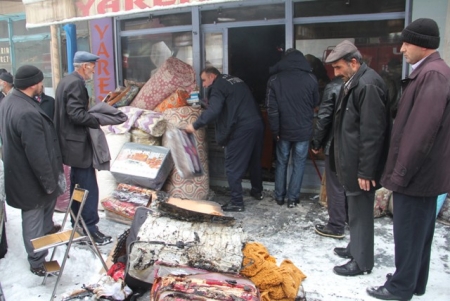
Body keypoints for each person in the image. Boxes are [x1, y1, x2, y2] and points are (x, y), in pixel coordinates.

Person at [367, 18, 450, 301]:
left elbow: (420, 134)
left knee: (409, 235)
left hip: (416, 177)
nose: (401, 49)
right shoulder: (430, 72)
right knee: (418, 236)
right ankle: (414, 282)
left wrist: (400, 174)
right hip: (422, 176)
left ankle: (400, 288)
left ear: (423, 45)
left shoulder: (433, 75)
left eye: (406, 43)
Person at [324, 40, 390, 276]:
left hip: (361, 166)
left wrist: (366, 170)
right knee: (355, 211)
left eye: (339, 67)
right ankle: (355, 248)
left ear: (354, 62)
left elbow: (373, 132)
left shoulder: (368, 84)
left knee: (361, 213)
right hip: (352, 162)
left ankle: (362, 262)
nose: (335, 73)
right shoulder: (355, 81)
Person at [0, 65, 64, 276]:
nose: (42, 85)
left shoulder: (10, 100)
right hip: (31, 180)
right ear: (33, 84)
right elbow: (37, 155)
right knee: (34, 221)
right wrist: (50, 183)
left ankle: (40, 253)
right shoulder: (26, 112)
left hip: (20, 175)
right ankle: (37, 262)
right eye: (40, 81)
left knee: (37, 219)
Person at [185, 67, 264, 212]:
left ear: (212, 76)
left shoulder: (218, 86)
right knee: (254, 160)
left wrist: (195, 125)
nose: (203, 85)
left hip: (242, 128)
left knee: (232, 166)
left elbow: (214, 111)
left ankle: (237, 203)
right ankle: (257, 191)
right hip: (256, 123)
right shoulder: (233, 80)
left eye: (204, 80)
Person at [54, 51, 112, 245]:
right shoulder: (76, 83)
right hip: (77, 146)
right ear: (84, 66)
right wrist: (96, 119)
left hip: (71, 145)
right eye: (92, 67)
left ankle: (79, 226)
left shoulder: (66, 81)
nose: (94, 71)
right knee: (87, 188)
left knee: (78, 188)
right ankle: (89, 229)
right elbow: (76, 114)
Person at [265, 49, 319, 208]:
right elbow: (316, 102)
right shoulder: (311, 78)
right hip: (303, 130)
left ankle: (279, 197)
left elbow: (271, 110)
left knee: (281, 163)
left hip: (283, 131)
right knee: (299, 163)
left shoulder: (274, 80)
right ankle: (293, 199)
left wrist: (275, 131)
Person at [311, 77, 347, 239]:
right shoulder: (365, 84)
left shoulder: (334, 86)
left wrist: (317, 142)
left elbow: (324, 117)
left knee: (335, 185)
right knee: (351, 185)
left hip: (336, 143)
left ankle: (336, 225)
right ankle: (350, 219)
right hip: (356, 144)